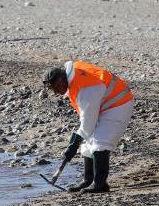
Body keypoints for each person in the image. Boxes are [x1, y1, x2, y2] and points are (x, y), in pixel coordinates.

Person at [43, 61, 134, 193]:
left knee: (100, 142)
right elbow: (87, 119)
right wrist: (78, 141)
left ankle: (100, 184)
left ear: (62, 79)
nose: (57, 92)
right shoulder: (73, 79)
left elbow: (87, 123)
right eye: (53, 89)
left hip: (119, 104)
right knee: (87, 144)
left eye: (57, 87)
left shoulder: (86, 88)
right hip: (105, 104)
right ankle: (88, 181)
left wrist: (73, 144)